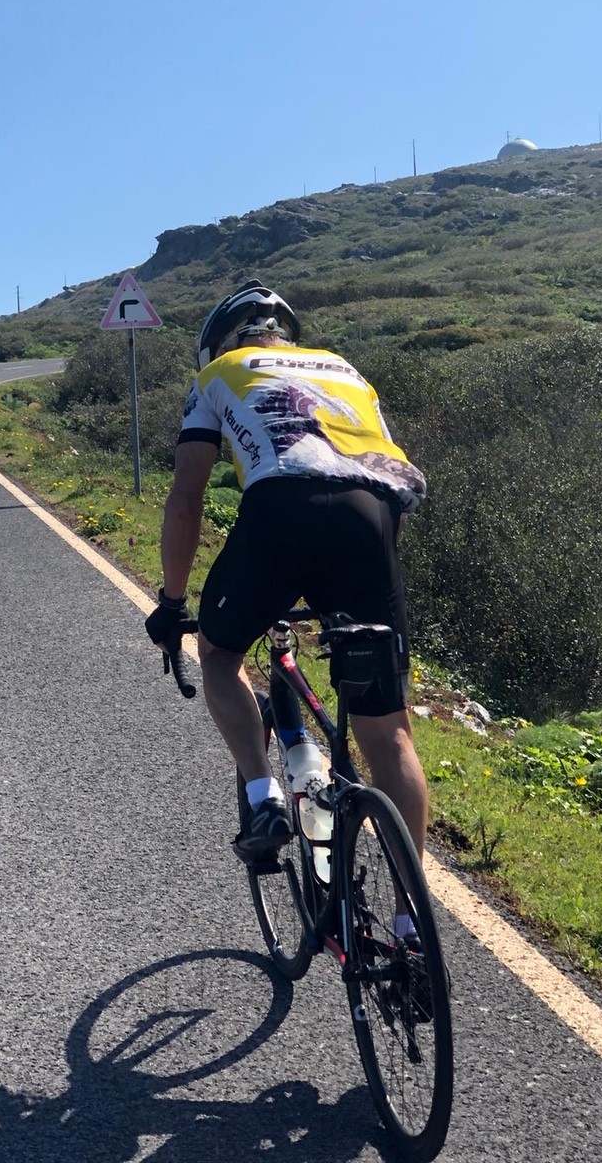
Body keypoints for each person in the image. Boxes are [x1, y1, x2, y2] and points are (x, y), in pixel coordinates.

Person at [145, 280, 429, 868]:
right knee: (389, 733)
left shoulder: (217, 374)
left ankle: (263, 796)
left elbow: (186, 498)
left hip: (281, 506)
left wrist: (172, 603)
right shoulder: (347, 371)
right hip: (371, 515)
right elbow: (386, 481)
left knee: (218, 654)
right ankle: (410, 914)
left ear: (220, 341)